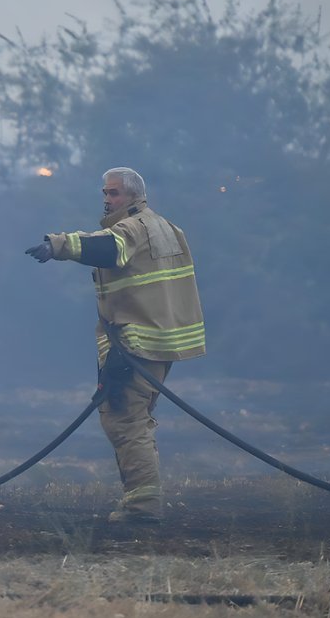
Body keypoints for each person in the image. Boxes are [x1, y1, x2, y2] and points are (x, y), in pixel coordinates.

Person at [25, 167, 205, 524]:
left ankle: (142, 508)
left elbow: (108, 248)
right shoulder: (167, 228)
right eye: (105, 193)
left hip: (135, 341)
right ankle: (140, 503)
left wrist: (58, 245)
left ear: (135, 196)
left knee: (126, 421)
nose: (107, 200)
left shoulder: (132, 229)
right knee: (133, 419)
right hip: (159, 339)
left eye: (114, 193)